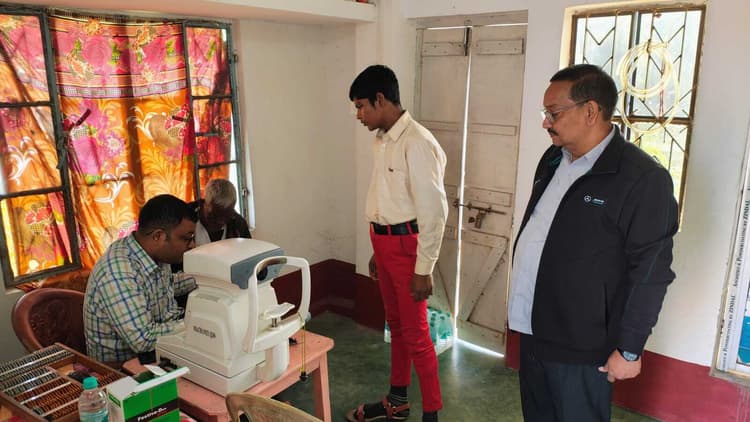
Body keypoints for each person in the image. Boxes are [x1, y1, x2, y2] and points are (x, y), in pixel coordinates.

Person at [507, 64, 679, 421]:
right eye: (545, 113)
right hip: (532, 329)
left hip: (582, 346)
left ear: (590, 111)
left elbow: (651, 273)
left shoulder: (642, 179)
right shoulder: (553, 159)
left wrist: (629, 349)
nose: (545, 122)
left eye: (553, 113)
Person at [345, 64, 448, 422]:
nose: (358, 115)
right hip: (386, 244)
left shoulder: (417, 143)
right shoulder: (383, 140)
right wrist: (377, 250)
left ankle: (432, 414)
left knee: (417, 334)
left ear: (380, 99)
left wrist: (424, 269)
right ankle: (398, 401)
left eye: (361, 106)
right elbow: (389, 199)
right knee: (397, 326)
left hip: (407, 250)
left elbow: (434, 212)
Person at [83, 194, 198, 366]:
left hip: (158, 353)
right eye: (186, 238)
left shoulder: (154, 254)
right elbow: (143, 339)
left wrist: (207, 277)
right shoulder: (118, 272)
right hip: (123, 370)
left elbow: (167, 284)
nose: (192, 245)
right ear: (158, 236)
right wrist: (198, 325)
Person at [190, 178, 251, 246]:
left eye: (227, 215)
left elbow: (248, 250)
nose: (221, 221)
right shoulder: (185, 218)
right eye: (216, 215)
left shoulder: (238, 224)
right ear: (206, 203)